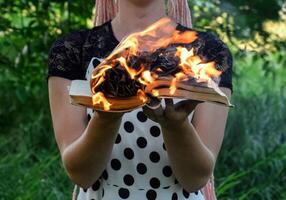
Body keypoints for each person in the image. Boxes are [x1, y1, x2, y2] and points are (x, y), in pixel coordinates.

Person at [47, 0, 233, 199]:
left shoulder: (208, 54)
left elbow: (195, 179)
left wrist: (176, 126)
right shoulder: (72, 50)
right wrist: (107, 117)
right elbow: (82, 175)